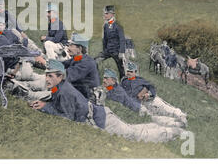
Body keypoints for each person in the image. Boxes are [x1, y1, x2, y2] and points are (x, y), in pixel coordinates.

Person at [29, 60, 184, 143]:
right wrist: (45, 104)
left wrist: (45, 107)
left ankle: (171, 131)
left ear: (60, 76)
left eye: (51, 76)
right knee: (132, 129)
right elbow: (58, 102)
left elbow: (68, 117)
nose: (47, 79)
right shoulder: (61, 87)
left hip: (101, 119)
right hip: (100, 114)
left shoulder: (64, 90)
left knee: (135, 135)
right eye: (46, 75)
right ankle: (163, 126)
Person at [102, 69, 185, 128]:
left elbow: (151, 87)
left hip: (146, 103)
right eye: (128, 71)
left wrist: (147, 94)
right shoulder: (121, 84)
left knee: (161, 112)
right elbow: (111, 90)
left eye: (106, 78)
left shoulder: (138, 80)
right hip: (138, 105)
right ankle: (176, 123)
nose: (104, 80)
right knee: (154, 118)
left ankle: (179, 119)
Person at [120, 62, 187, 126]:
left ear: (135, 72)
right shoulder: (124, 82)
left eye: (131, 72)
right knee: (153, 117)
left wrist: (149, 94)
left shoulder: (140, 80)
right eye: (128, 71)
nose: (129, 73)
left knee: (166, 109)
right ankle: (175, 124)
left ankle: (181, 115)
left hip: (150, 100)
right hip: (139, 104)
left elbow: (151, 87)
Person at [62, 33, 100, 99]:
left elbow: (68, 75)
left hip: (88, 96)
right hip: (81, 90)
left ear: (79, 49)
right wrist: (47, 63)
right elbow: (63, 64)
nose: (68, 48)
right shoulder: (79, 58)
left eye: (71, 46)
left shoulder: (87, 62)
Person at [95, 5, 126, 79]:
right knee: (94, 61)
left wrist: (121, 52)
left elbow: (122, 39)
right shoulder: (105, 25)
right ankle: (96, 78)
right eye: (104, 13)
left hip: (117, 52)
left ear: (112, 14)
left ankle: (123, 82)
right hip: (108, 50)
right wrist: (104, 50)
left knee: (121, 70)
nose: (104, 15)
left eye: (106, 13)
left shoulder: (118, 26)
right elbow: (105, 39)